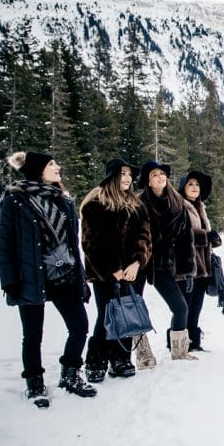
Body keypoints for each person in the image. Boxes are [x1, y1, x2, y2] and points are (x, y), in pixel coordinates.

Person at [0, 151, 96, 408]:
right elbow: (5, 243)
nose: (57, 167)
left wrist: (81, 278)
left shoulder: (63, 200)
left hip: (65, 274)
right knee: (32, 335)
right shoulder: (16, 199)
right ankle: (35, 383)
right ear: (37, 169)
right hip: (30, 275)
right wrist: (9, 280)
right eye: (51, 164)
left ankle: (70, 374)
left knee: (80, 327)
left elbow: (72, 245)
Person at [79, 159, 153, 382]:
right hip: (104, 273)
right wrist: (112, 268)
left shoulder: (137, 205)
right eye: (123, 173)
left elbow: (145, 238)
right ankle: (96, 360)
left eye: (130, 174)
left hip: (133, 272)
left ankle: (121, 359)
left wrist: (137, 262)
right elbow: (91, 243)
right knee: (107, 316)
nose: (128, 178)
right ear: (112, 176)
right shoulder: (95, 204)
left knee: (127, 314)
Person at [136, 161, 198, 361]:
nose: (160, 177)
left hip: (163, 264)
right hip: (139, 263)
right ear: (148, 181)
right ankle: (143, 354)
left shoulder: (177, 202)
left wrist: (187, 270)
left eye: (162, 173)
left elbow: (185, 239)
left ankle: (179, 351)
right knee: (135, 308)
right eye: (155, 174)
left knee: (181, 307)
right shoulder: (138, 203)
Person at [177, 170, 215, 351]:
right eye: (190, 184)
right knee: (184, 307)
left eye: (197, 185)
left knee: (196, 306)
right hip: (185, 265)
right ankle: (179, 344)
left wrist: (213, 239)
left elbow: (205, 235)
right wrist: (206, 237)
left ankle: (193, 342)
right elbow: (181, 235)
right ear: (183, 187)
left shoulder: (200, 207)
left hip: (202, 267)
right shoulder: (179, 206)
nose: (194, 187)